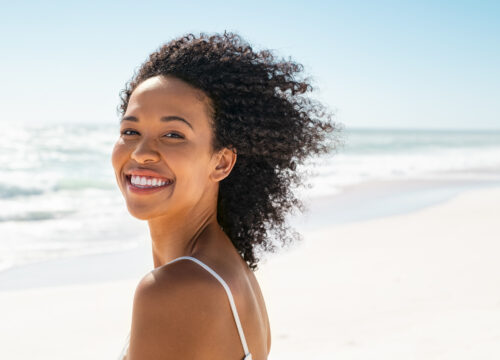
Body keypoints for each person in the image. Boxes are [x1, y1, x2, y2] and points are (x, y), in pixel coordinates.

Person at [111, 31, 341, 360]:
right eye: (130, 131)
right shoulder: (230, 272)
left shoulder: (175, 289)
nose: (142, 153)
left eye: (173, 134)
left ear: (221, 162)